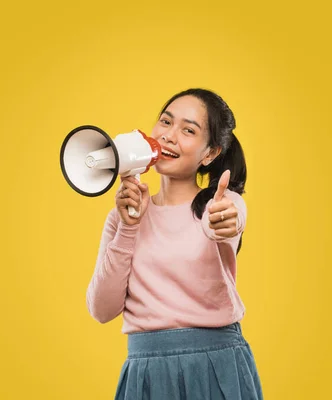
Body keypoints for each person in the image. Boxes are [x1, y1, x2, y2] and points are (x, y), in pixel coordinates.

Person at [86, 88, 264, 399]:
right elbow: (101, 309)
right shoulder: (121, 219)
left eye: (188, 130)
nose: (169, 136)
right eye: (165, 122)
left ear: (209, 154)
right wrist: (128, 227)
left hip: (215, 363)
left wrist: (220, 222)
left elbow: (226, 222)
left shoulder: (224, 203)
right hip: (147, 373)